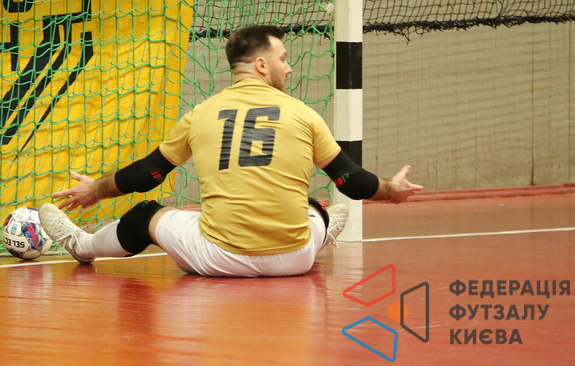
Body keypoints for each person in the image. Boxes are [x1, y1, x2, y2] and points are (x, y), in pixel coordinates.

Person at [39, 24, 423, 277]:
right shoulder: (304, 114)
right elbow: (351, 181)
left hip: (218, 259)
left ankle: (82, 245)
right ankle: (320, 229)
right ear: (262, 65)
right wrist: (392, 190)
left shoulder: (200, 115)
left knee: (146, 215)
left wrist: (95, 190)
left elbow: (148, 174)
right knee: (313, 206)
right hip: (294, 260)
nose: (289, 68)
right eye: (283, 59)